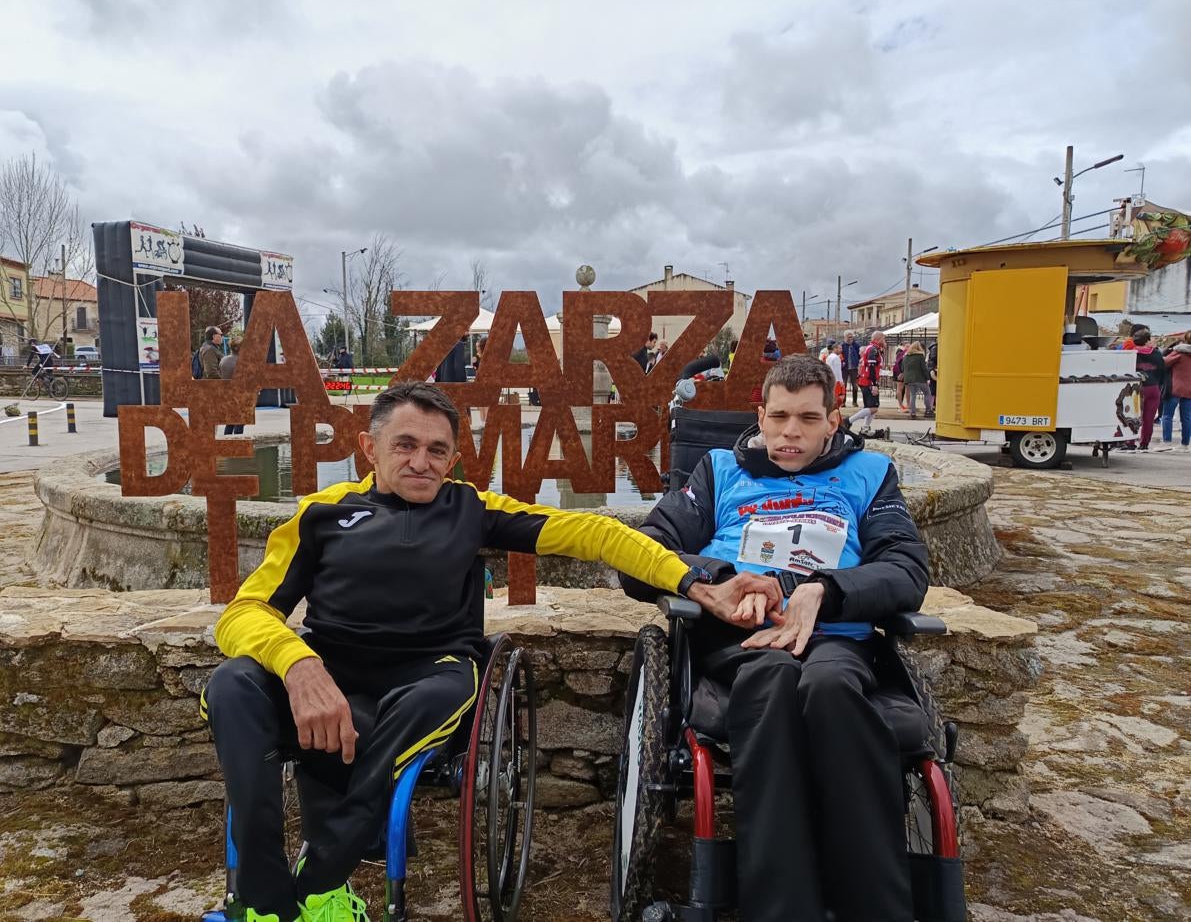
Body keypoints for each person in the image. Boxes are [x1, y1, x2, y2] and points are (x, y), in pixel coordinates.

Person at [203, 382, 779, 922]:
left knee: (444, 688)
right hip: (326, 670)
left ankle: (320, 877)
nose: (421, 462)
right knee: (231, 685)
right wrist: (299, 665)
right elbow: (243, 613)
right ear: (368, 448)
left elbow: (597, 534)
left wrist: (694, 581)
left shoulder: (471, 510)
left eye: (437, 450)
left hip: (428, 676)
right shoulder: (319, 515)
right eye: (404, 445)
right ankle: (263, 898)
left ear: (453, 459)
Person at [619, 355, 929, 922]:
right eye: (779, 417)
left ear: (833, 420)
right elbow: (642, 557)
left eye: (808, 418)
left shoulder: (869, 473)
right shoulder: (718, 471)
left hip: (834, 638)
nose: (791, 432)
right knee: (772, 678)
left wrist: (824, 589)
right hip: (742, 640)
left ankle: (875, 906)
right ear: (760, 417)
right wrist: (717, 582)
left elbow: (907, 570)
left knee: (832, 689)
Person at [1132, 326, 1167, 451]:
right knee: (1149, 418)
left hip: (1135, 389)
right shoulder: (1157, 353)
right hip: (1153, 388)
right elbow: (1163, 371)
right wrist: (1158, 383)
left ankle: (1130, 442)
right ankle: (1144, 443)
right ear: (1147, 340)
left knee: (1132, 416)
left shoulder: (1131, 354)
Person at [1160, 331, 1191, 451]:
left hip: (1175, 388)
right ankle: (1184, 444)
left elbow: (1164, 362)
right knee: (1187, 418)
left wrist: (1169, 349)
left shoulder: (1179, 352)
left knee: (1167, 415)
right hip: (1189, 390)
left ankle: (1167, 442)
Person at [901, 341, 932, 419]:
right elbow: (924, 369)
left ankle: (913, 412)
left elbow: (902, 368)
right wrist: (928, 378)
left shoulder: (906, 357)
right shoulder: (920, 356)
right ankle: (928, 411)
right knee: (927, 393)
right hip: (920, 379)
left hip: (909, 380)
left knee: (913, 395)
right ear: (919, 348)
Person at [220, 337, 244, 435]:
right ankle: (238, 442)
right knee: (240, 422)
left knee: (230, 423)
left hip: (227, 394)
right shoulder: (243, 362)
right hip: (240, 395)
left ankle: (227, 441)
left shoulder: (224, 360)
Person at [841, 331, 861, 406]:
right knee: (844, 385)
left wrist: (858, 362)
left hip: (854, 368)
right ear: (845, 337)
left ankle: (854, 402)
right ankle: (843, 402)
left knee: (855, 385)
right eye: (848, 337)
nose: (850, 339)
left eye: (851, 337)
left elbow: (859, 355)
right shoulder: (842, 346)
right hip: (845, 368)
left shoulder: (856, 345)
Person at [825, 343, 845, 410]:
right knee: (836, 397)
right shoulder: (836, 358)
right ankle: (835, 410)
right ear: (835, 348)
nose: (841, 350)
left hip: (830, 379)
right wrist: (841, 381)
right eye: (840, 348)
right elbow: (838, 371)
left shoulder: (829, 357)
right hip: (836, 380)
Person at [892, 344, 907, 411]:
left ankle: (901, 405)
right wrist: (902, 372)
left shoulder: (900, 352)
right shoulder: (902, 352)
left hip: (898, 371)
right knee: (900, 388)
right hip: (900, 372)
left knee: (900, 388)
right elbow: (900, 363)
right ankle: (901, 405)